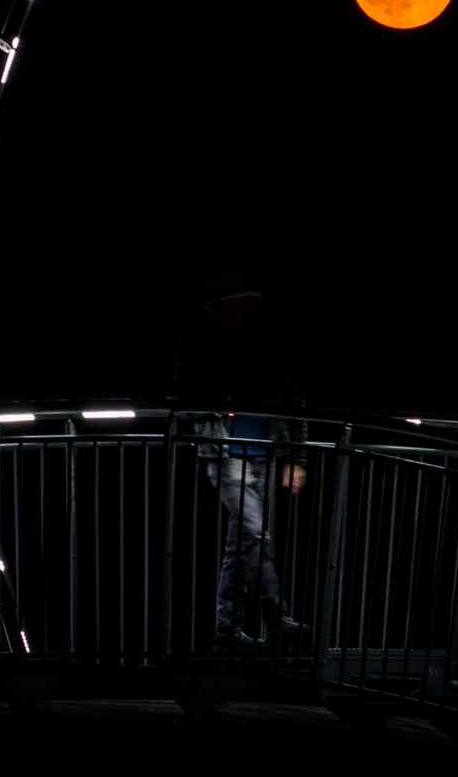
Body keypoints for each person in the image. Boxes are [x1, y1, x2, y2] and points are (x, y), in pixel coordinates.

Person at [172, 270, 310, 653]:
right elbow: (181, 408)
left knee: (243, 544)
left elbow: (295, 401)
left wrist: (296, 458)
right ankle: (276, 619)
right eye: (232, 304)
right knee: (256, 535)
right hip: (226, 455)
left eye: (244, 303)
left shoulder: (268, 345)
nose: (239, 310)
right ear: (215, 308)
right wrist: (215, 411)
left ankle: (225, 629)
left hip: (266, 456)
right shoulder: (198, 347)